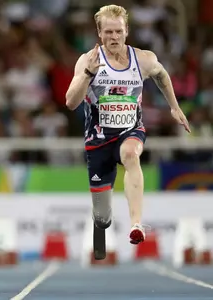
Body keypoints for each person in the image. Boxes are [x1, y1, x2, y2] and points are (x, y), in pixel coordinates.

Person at [65, 5, 190, 245]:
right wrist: (88, 75)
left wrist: (174, 106)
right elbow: (71, 102)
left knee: (131, 155)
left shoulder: (142, 58)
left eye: (118, 32)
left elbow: (162, 75)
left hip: (130, 132)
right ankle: (101, 224)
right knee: (102, 217)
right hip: (98, 141)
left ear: (127, 31)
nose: (114, 37)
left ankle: (136, 224)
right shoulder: (87, 61)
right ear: (99, 33)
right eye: (108, 32)